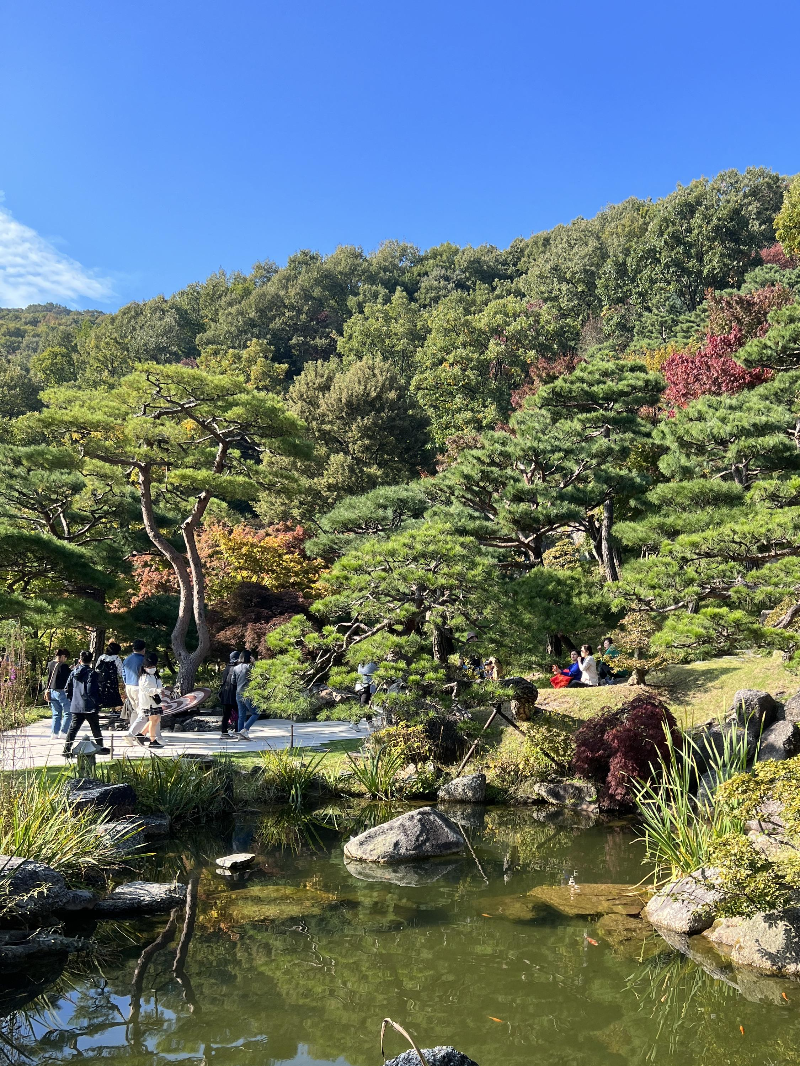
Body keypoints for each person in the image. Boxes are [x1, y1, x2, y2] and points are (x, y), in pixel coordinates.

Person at [62, 651, 110, 757]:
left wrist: (72, 699)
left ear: (80, 660)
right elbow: (91, 690)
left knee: (73, 729)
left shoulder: (73, 673)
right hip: (89, 705)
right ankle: (100, 747)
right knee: (95, 727)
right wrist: (97, 702)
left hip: (76, 705)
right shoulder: (92, 673)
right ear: (91, 661)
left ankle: (66, 749)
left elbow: (67, 688)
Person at [127, 653, 165, 748]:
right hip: (148, 703)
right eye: (150, 666)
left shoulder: (155, 676)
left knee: (157, 719)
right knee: (153, 720)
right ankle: (152, 740)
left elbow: (158, 686)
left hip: (155, 701)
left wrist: (161, 690)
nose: (152, 668)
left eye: (153, 666)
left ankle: (141, 735)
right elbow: (146, 690)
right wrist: (157, 690)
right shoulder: (144, 677)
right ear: (145, 667)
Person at [44, 647, 72, 739]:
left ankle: (54, 733)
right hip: (61, 691)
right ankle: (63, 732)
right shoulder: (63, 666)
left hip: (51, 691)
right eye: (66, 657)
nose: (66, 659)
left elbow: (51, 676)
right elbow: (68, 677)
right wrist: (71, 669)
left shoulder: (50, 664)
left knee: (56, 713)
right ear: (63, 656)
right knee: (68, 712)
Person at [233, 651, 259, 740]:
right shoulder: (249, 667)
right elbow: (258, 675)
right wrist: (254, 662)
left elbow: (233, 681)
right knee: (256, 713)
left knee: (241, 715)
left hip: (238, 693)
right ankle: (245, 729)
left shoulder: (235, 668)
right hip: (247, 693)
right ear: (249, 658)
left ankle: (240, 733)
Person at [96, 641, 125, 711]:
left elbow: (97, 668)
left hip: (101, 680)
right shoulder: (116, 658)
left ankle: (98, 709)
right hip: (112, 680)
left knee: (101, 694)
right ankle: (113, 709)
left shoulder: (102, 657)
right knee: (113, 694)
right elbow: (120, 671)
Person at [122, 640, 146, 720]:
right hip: (139, 686)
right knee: (142, 711)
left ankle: (134, 728)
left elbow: (123, 674)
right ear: (144, 649)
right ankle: (137, 730)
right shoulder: (144, 660)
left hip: (128, 686)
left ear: (133, 649)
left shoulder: (127, 659)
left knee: (135, 709)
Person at [219, 650, 240, 739]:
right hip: (233, 694)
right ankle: (237, 731)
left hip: (225, 694)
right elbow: (234, 682)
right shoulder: (236, 668)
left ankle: (224, 732)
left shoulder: (226, 668)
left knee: (226, 714)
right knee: (239, 713)